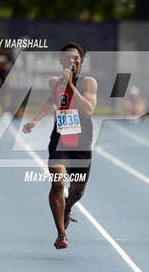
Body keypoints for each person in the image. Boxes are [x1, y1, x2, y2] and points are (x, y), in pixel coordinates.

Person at [23, 42, 97, 249]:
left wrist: (70, 85)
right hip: (60, 143)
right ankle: (61, 234)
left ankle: (68, 208)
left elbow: (89, 109)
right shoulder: (55, 82)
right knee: (57, 182)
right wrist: (34, 121)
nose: (71, 62)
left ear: (81, 61)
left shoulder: (89, 83)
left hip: (81, 146)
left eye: (75, 58)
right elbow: (51, 101)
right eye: (67, 59)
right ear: (60, 61)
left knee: (78, 191)